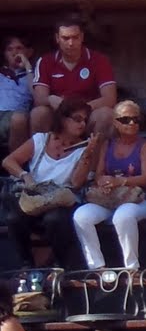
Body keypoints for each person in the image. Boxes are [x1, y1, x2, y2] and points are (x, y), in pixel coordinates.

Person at [2, 95, 99, 267]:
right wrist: (25, 175)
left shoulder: (83, 149)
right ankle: (26, 264)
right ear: (63, 119)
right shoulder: (41, 139)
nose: (82, 124)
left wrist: (88, 153)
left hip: (62, 202)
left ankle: (61, 264)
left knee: (54, 219)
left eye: (85, 120)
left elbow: (76, 183)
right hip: (36, 199)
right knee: (14, 218)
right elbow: (8, 161)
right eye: (77, 119)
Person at [72, 98, 146, 272]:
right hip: (110, 199)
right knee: (81, 216)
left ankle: (132, 267)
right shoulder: (107, 145)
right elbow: (99, 174)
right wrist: (103, 182)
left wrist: (121, 181)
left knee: (123, 216)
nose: (132, 123)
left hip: (138, 200)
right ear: (116, 123)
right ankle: (97, 267)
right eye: (126, 119)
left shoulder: (145, 146)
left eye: (136, 119)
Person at [30, 13, 116, 135]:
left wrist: (81, 109)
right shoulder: (45, 61)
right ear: (57, 38)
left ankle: (96, 148)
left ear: (82, 37)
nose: (71, 43)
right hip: (58, 114)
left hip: (88, 113)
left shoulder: (100, 60)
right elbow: (39, 99)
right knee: (38, 113)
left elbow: (110, 98)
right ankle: (43, 148)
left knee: (106, 114)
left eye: (75, 37)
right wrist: (50, 99)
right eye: (65, 38)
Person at [0, 33, 33, 153]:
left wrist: (27, 66)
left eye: (19, 48)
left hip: (17, 116)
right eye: (10, 49)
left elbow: (37, 94)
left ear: (29, 52)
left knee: (16, 120)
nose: (14, 53)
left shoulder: (33, 74)